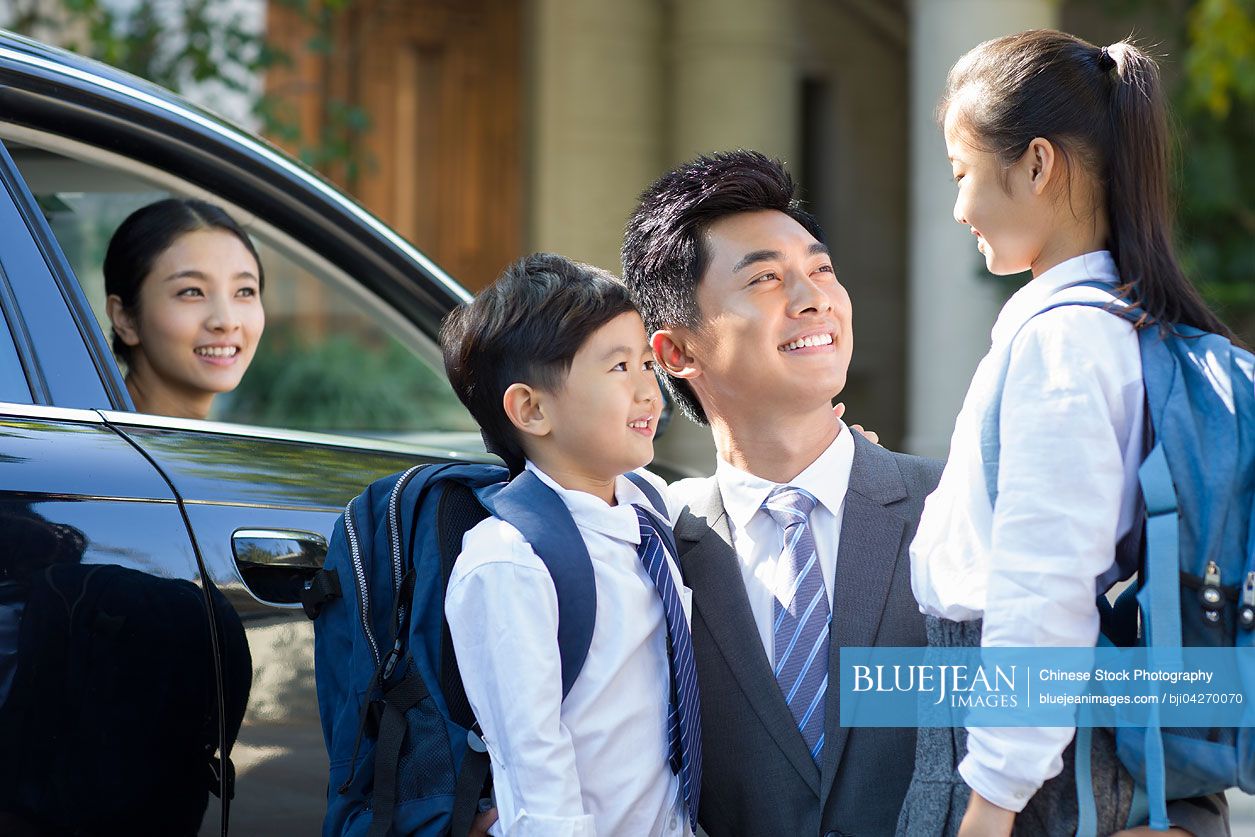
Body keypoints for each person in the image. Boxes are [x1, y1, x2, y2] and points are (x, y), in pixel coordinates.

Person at [901, 31, 1233, 836]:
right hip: (1086, 756)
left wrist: (989, 805)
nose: (957, 208)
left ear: (1037, 165)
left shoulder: (1061, 343)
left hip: (1035, 777)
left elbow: (1042, 591)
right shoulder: (1131, 329)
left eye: (961, 173)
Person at [620, 149, 943, 836]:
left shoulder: (954, 507)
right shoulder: (652, 547)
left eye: (820, 270)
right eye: (765, 278)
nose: (813, 297)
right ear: (676, 353)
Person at [440, 253, 699, 836]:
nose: (648, 391)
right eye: (618, 368)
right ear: (531, 409)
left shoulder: (647, 505)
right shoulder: (509, 561)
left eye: (645, 365)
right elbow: (537, 767)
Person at [104, 198, 265, 419]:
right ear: (125, 319)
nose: (227, 321)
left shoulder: (201, 448)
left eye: (245, 291)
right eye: (192, 292)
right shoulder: (100, 451)